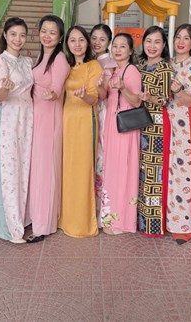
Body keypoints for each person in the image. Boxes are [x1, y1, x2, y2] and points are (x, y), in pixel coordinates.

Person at [0, 17, 34, 244]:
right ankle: (9, 226)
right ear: (5, 35)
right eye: (13, 34)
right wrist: (4, 89)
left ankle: (23, 218)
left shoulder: (27, 62)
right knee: (9, 170)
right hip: (8, 119)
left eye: (22, 35)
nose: (18, 39)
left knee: (24, 167)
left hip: (27, 118)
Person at [27, 15, 70, 243]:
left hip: (49, 118)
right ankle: (36, 216)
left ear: (60, 37)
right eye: (44, 30)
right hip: (37, 117)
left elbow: (56, 88)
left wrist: (52, 93)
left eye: (53, 32)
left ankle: (43, 224)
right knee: (37, 169)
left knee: (45, 170)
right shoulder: (40, 56)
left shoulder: (60, 59)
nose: (47, 35)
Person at [58, 26, 103, 238]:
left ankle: (82, 222)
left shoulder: (93, 66)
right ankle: (65, 218)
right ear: (67, 43)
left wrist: (84, 96)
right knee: (66, 169)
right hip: (66, 121)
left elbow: (94, 98)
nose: (77, 44)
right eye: (72, 40)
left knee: (83, 170)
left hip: (85, 122)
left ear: (87, 43)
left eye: (81, 40)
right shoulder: (64, 66)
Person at [97, 33, 142, 234]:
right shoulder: (114, 71)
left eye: (123, 46)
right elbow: (105, 97)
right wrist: (101, 86)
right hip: (112, 124)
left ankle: (122, 221)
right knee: (113, 169)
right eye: (115, 45)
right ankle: (110, 216)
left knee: (123, 170)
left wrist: (123, 88)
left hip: (125, 127)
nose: (117, 49)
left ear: (130, 50)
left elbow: (136, 102)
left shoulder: (131, 71)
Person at [164, 24, 191, 244]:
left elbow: (189, 101)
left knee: (181, 172)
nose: (181, 41)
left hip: (183, 124)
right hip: (165, 120)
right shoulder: (168, 63)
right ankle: (166, 220)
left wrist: (177, 90)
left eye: (186, 38)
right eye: (178, 37)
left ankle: (182, 226)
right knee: (166, 171)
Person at [137, 26, 173, 237]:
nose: (152, 46)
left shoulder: (164, 68)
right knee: (141, 173)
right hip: (138, 124)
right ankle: (139, 220)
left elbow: (166, 99)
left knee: (153, 174)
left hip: (155, 126)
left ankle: (152, 224)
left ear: (164, 45)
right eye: (148, 41)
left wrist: (150, 98)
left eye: (157, 42)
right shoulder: (140, 64)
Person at [89, 24, 116, 227]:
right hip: (90, 110)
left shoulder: (108, 62)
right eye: (94, 38)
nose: (97, 42)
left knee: (102, 158)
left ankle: (102, 212)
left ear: (108, 42)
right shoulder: (91, 60)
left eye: (102, 39)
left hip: (103, 112)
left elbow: (104, 93)